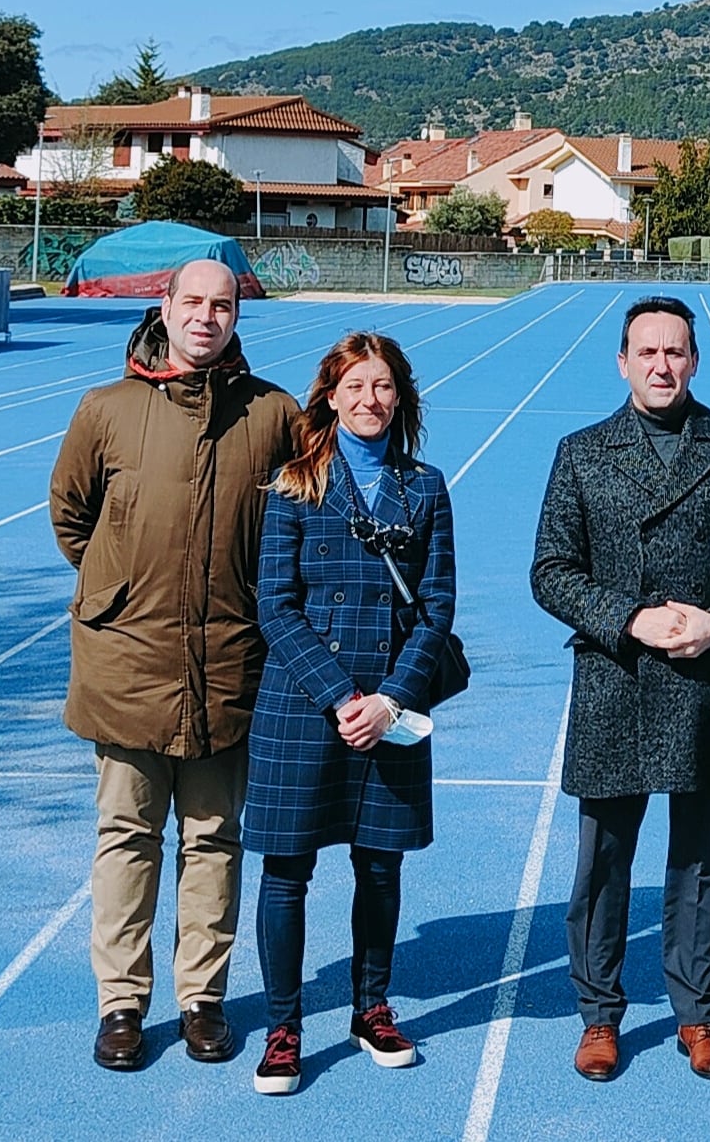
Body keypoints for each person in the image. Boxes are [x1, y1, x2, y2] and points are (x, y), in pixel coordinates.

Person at [530, 296, 710, 1085]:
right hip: (617, 679)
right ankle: (599, 1014)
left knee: (700, 858)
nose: (661, 365)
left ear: (693, 360)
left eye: (675, 351)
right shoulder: (581, 451)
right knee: (603, 860)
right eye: (647, 352)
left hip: (707, 680)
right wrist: (629, 618)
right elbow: (549, 570)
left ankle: (697, 1013)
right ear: (622, 361)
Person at [52, 257, 299, 1072]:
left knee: (214, 837)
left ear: (236, 316)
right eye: (192, 301)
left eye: (221, 304)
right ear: (165, 308)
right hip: (126, 663)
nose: (206, 316)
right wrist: (120, 592)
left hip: (229, 663)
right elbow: (72, 517)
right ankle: (121, 1003)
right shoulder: (106, 410)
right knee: (126, 834)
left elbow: (299, 527)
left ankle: (203, 998)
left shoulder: (273, 414)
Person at [244, 332, 468, 1096]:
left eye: (384, 387)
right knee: (286, 871)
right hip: (306, 704)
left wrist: (391, 698)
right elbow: (274, 606)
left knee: (379, 865)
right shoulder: (291, 485)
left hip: (390, 702)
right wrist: (342, 697)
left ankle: (371, 1006)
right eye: (356, 387)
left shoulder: (426, 486)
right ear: (330, 396)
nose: (370, 400)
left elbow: (437, 609)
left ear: (399, 397)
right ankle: (283, 1025)